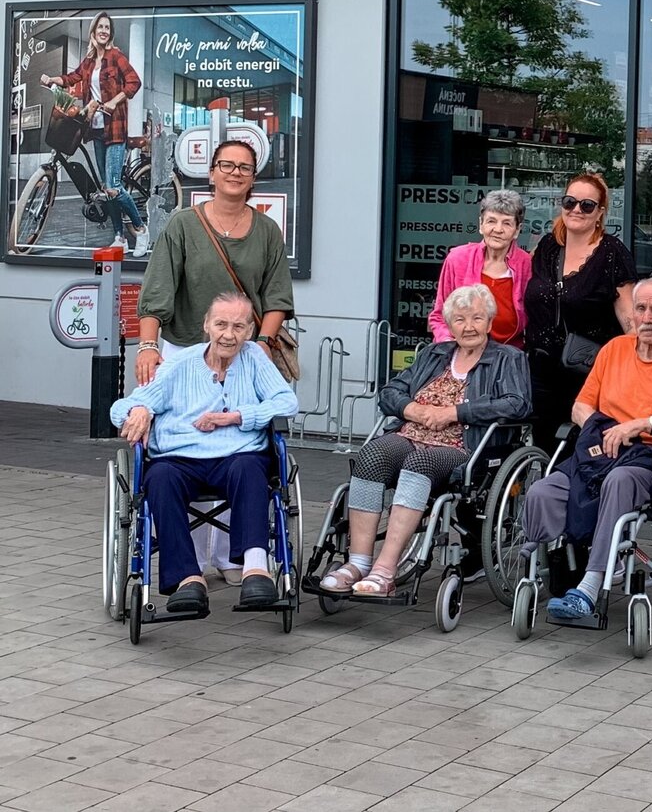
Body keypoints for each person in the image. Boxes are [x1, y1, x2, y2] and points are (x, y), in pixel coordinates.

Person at [136, 137, 295, 582]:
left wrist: (262, 345)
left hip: (243, 349)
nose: (235, 173)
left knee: (238, 447)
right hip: (184, 349)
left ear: (253, 178)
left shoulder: (266, 231)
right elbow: (156, 292)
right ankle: (192, 562)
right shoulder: (183, 225)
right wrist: (148, 347)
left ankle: (232, 558)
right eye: (227, 165)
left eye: (244, 167)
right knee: (189, 444)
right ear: (211, 173)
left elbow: (277, 297)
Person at [320, 284, 531, 596]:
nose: (469, 327)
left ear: (489, 321)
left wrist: (455, 413)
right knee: (371, 457)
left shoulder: (508, 358)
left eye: (477, 318)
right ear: (449, 325)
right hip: (411, 433)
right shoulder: (434, 354)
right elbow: (391, 392)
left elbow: (517, 404)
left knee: (420, 463)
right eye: (460, 319)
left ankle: (384, 570)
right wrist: (412, 409)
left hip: (462, 446)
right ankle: (359, 563)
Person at [521, 278, 652, 623]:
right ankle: (535, 570)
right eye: (641, 308)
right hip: (602, 448)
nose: (648, 317)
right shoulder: (613, 350)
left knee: (619, 481)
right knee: (542, 492)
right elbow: (580, 406)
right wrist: (604, 428)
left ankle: (590, 585)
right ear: (631, 314)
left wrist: (645, 424)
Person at [109, 292, 300, 616]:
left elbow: (287, 402)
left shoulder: (255, 359)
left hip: (238, 456)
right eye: (221, 324)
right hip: (179, 459)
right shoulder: (180, 364)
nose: (229, 334)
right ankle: (188, 579)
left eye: (238, 326)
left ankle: (256, 569)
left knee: (251, 469)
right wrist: (138, 410)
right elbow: (121, 407)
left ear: (250, 331)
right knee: (160, 478)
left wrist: (237, 417)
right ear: (206, 326)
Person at [524, 172, 637, 453]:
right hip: (541, 371)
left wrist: (637, 367)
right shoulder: (547, 247)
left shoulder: (612, 253)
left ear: (600, 213)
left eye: (587, 205)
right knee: (544, 451)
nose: (576, 210)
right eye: (570, 202)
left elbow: (630, 322)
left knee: (583, 450)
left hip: (587, 373)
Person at [40, 10, 149, 255]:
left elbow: (134, 82)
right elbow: (72, 77)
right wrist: (51, 79)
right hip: (97, 131)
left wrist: (114, 101)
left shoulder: (116, 56)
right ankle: (119, 237)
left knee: (113, 187)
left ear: (110, 33)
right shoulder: (89, 61)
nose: (104, 31)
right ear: (93, 32)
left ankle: (141, 229)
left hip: (115, 129)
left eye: (107, 27)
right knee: (105, 187)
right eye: (100, 27)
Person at [430, 189, 533, 350]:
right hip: (461, 351)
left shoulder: (527, 265)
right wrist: (449, 346)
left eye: (506, 223)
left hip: (509, 354)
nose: (498, 229)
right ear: (481, 224)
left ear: (517, 230)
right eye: (491, 221)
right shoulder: (457, 259)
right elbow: (439, 316)